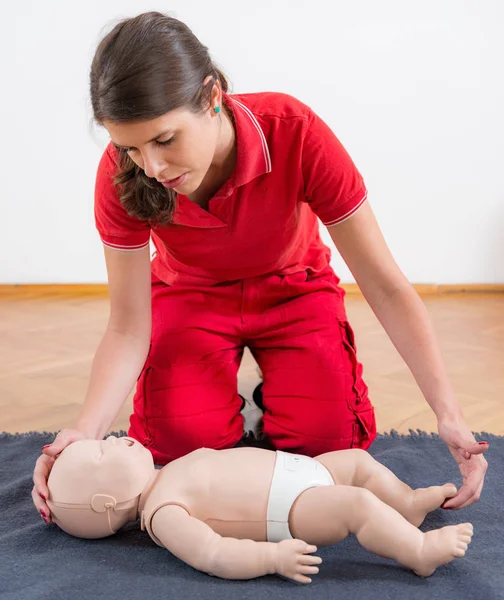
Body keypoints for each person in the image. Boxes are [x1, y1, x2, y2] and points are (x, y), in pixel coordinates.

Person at [32, 11, 488, 524]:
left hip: (296, 290)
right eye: (130, 147)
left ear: (211, 96)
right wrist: (84, 437)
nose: (152, 168)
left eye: (164, 139)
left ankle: (275, 391)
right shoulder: (122, 175)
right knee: (179, 449)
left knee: (329, 447)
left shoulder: (296, 131)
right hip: (190, 298)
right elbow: (127, 326)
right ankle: (229, 397)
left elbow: (384, 286)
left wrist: (448, 413)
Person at [46, 436, 474, 583]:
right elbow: (211, 554)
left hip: (303, 470)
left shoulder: (164, 472)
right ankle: (417, 552)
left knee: (359, 462)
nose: (116, 439)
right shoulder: (162, 513)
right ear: (106, 502)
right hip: (292, 508)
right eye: (104, 452)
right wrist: (270, 558)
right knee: (356, 503)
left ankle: (404, 506)